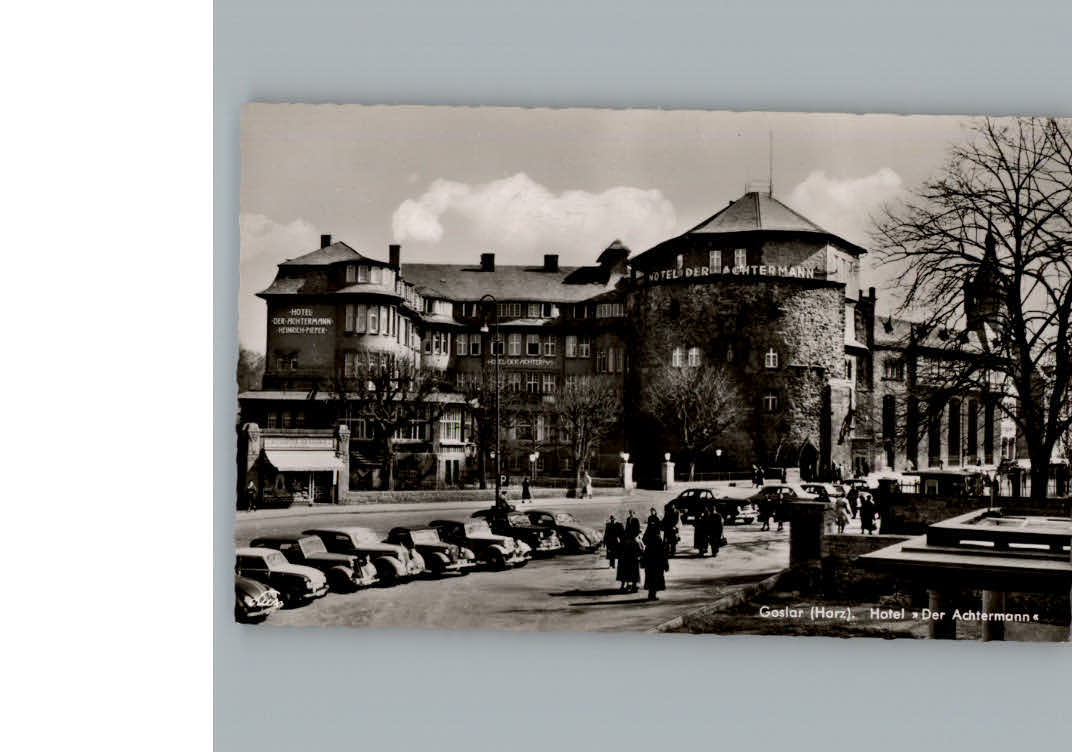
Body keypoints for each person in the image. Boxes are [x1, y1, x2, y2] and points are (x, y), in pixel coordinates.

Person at [641, 528, 668, 601]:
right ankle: (653, 594)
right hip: (658, 566)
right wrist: (666, 566)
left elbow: (645, 554)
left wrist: (643, 563)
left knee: (650, 579)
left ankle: (651, 594)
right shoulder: (659, 542)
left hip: (650, 565)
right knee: (656, 580)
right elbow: (663, 555)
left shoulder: (649, 543)